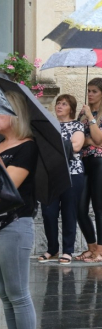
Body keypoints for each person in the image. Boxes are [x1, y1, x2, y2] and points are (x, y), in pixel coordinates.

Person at [0, 91, 40, 329]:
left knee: (18, 294)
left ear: (14, 114)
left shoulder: (27, 147)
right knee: (4, 295)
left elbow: (10, 186)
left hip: (15, 224)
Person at [39, 94, 84, 265]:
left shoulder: (76, 125)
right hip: (50, 174)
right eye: (58, 103)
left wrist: (52, 146)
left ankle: (68, 250)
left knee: (69, 212)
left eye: (64, 104)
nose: (59, 106)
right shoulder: (49, 125)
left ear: (71, 108)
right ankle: (52, 249)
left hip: (72, 174)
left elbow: (76, 146)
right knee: (48, 213)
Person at [76, 78, 102, 263]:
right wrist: (89, 140)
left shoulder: (93, 116)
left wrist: (91, 120)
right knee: (80, 208)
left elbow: (98, 139)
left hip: (99, 162)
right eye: (89, 90)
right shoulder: (83, 114)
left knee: (99, 208)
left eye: (94, 91)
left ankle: (100, 251)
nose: (90, 94)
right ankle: (91, 247)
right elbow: (79, 141)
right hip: (83, 162)